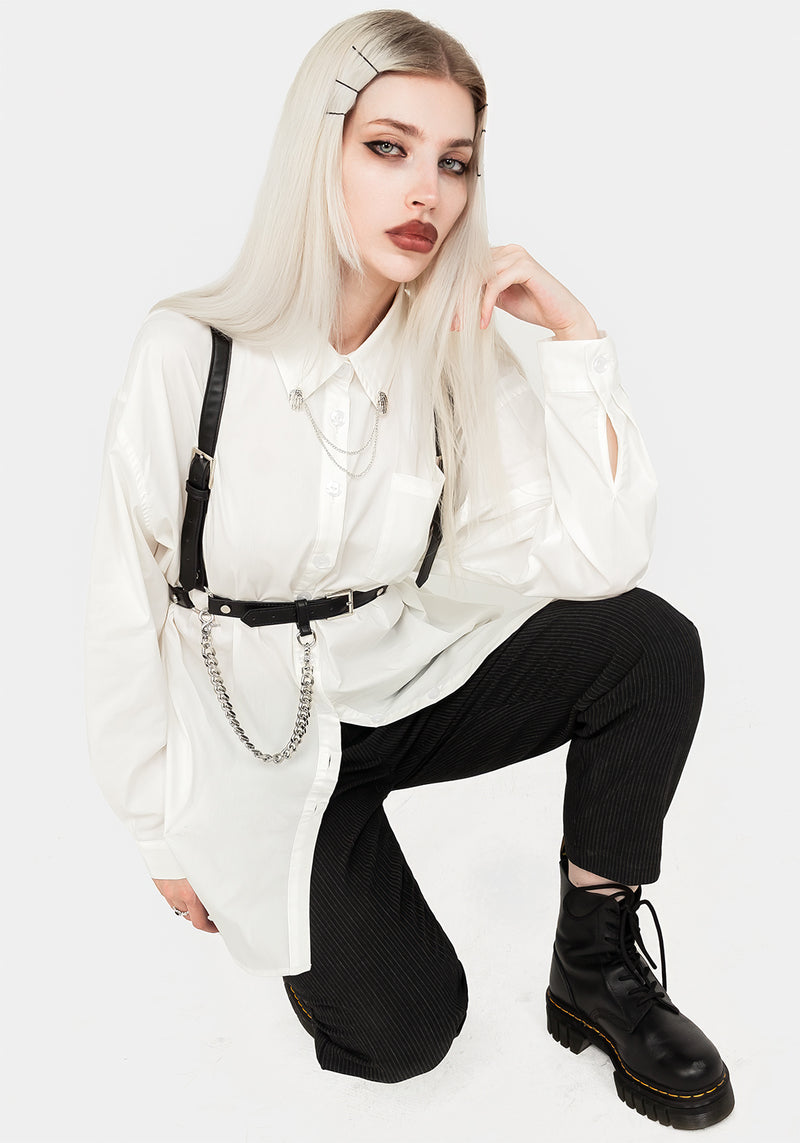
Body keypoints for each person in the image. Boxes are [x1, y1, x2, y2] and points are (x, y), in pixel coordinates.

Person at [85, 8, 733, 1130]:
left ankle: (594, 965)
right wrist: (160, 827)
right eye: (387, 148)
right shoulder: (190, 354)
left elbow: (602, 556)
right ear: (320, 151)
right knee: (403, 1037)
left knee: (646, 644)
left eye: (454, 162)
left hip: (396, 685)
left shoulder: (451, 355)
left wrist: (574, 341)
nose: (425, 192)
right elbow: (119, 604)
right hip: (252, 736)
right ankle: (324, 885)